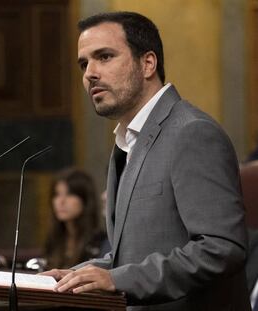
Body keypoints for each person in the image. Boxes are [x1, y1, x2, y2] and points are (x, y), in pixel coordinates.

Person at [42, 11, 250, 310]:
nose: (89, 73)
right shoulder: (127, 142)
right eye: (84, 63)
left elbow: (222, 249)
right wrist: (75, 275)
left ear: (148, 63)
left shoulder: (192, 133)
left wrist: (117, 281)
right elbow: (134, 254)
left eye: (104, 56)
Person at [44, 168, 105, 269]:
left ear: (85, 200)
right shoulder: (54, 239)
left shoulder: (101, 242)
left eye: (69, 194)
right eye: (57, 194)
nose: (61, 201)